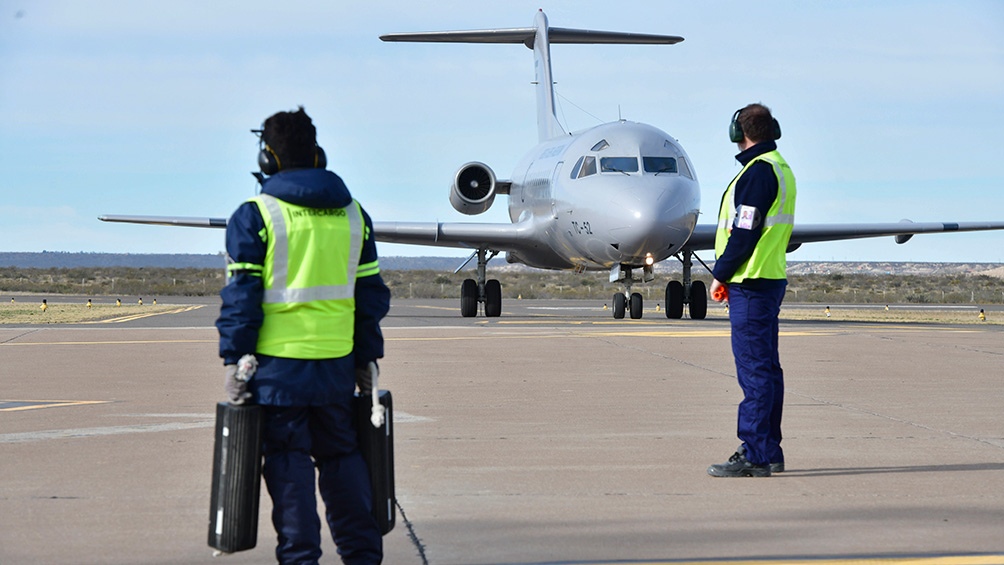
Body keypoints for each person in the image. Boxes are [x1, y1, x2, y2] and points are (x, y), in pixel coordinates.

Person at [216, 107, 391, 563]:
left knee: (289, 469)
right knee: (344, 462)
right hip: (335, 368)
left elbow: (242, 298)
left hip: (277, 373)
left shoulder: (256, 216)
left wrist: (235, 360)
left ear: (268, 159)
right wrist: (366, 360)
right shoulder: (356, 216)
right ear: (317, 155)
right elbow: (370, 297)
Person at [708, 103, 796, 478]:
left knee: (755, 373)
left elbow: (745, 231)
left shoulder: (759, 173)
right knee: (768, 371)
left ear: (737, 133)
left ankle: (756, 455)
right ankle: (769, 450)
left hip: (750, 282)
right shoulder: (779, 167)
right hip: (768, 278)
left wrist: (721, 274)